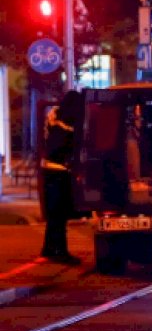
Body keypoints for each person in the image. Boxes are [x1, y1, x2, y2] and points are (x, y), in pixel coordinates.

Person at [40, 91, 82, 265]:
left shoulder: (53, 116)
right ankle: (60, 251)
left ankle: (49, 248)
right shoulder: (70, 123)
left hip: (48, 169)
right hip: (60, 171)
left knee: (54, 214)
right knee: (60, 214)